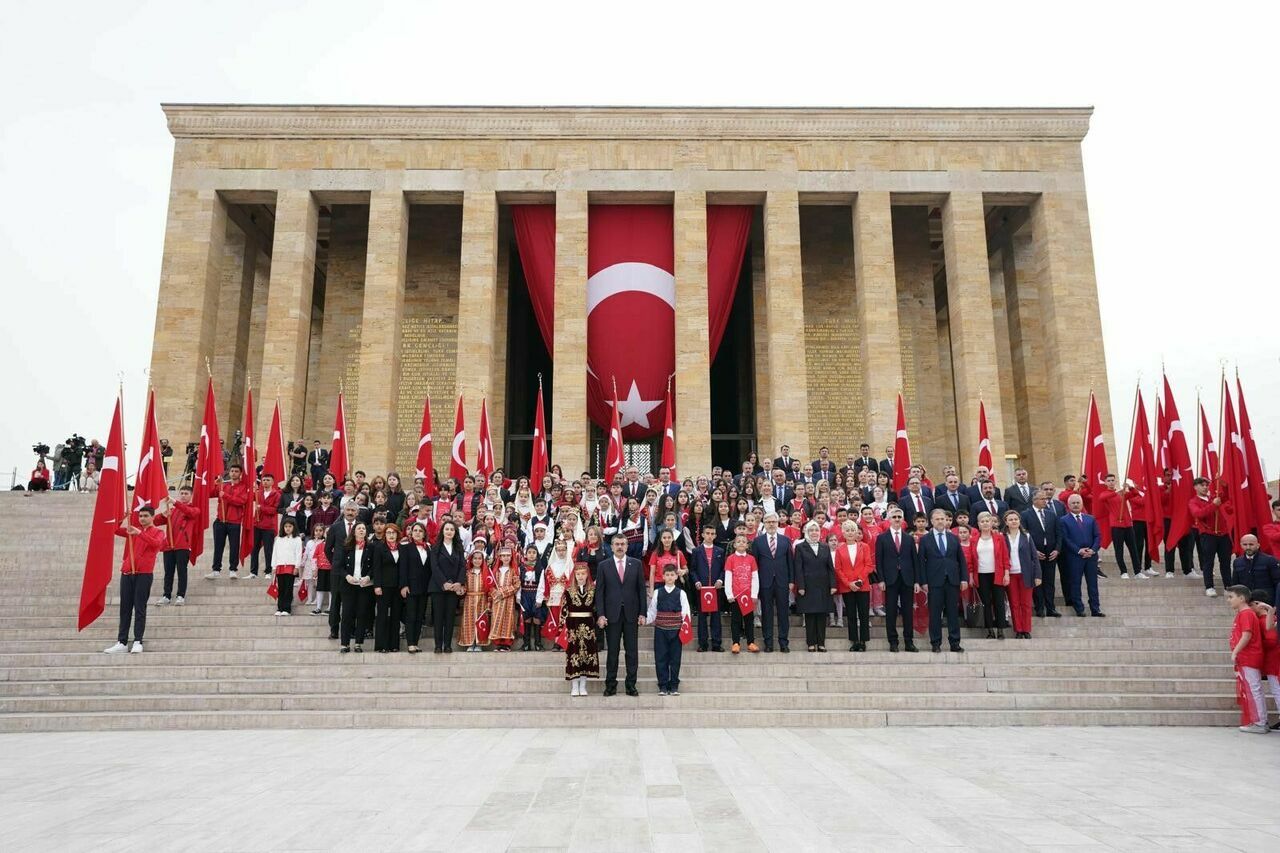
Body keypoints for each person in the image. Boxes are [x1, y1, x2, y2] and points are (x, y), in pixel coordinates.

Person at [103, 506, 168, 654]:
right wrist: (123, 517)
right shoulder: (134, 530)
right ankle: (122, 642)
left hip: (144, 574)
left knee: (140, 608)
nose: (142, 519)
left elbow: (157, 544)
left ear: (152, 517)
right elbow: (114, 529)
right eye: (140, 516)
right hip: (127, 573)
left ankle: (138, 640)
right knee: (125, 609)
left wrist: (139, 532)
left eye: (146, 516)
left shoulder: (158, 532)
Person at [596, 532, 647, 696]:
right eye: (616, 544)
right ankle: (610, 685)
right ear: (611, 547)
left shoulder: (637, 564)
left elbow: (641, 590)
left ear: (627, 546)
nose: (619, 547)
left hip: (631, 615)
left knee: (632, 652)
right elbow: (600, 592)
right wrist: (601, 614)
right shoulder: (603, 566)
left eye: (622, 544)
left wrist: (643, 613)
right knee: (612, 652)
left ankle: (631, 685)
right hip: (611, 616)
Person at [920, 508, 968, 653]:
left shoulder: (953, 538)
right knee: (935, 614)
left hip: (952, 580)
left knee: (953, 613)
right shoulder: (925, 539)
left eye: (943, 519)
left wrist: (964, 578)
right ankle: (935, 642)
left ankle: (955, 642)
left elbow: (961, 560)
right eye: (937, 519)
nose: (940, 521)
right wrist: (923, 582)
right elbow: (921, 562)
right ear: (932, 522)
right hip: (934, 581)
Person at [876, 507, 920, 653]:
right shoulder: (882, 538)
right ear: (889, 519)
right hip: (890, 579)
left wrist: (916, 581)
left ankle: (909, 642)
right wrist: (881, 579)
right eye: (894, 517)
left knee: (908, 611)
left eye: (899, 517)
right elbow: (879, 561)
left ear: (902, 520)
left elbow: (915, 560)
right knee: (891, 611)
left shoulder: (909, 538)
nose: (896, 519)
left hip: (907, 579)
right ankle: (893, 641)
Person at [1227, 585, 1268, 733]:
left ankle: (1260, 722)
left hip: (1249, 656)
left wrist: (1235, 652)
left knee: (1254, 688)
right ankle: (1258, 721)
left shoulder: (1246, 614)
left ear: (1242, 598)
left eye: (1231, 597)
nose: (1229, 600)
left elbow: (1247, 634)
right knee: (1252, 688)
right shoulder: (1244, 613)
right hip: (1247, 657)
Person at [646, 563, 691, 696]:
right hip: (660, 630)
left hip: (676, 630)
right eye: (667, 575)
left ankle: (674, 686)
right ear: (663, 576)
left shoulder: (681, 593)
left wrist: (684, 627)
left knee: (675, 659)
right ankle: (663, 686)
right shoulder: (657, 592)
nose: (670, 577)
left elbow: (686, 611)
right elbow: (652, 611)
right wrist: (645, 620)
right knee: (661, 658)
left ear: (676, 577)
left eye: (672, 575)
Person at [751, 512, 793, 653]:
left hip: (782, 581)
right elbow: (755, 564)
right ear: (764, 522)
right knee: (767, 613)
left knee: (783, 613)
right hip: (765, 582)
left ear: (777, 523)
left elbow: (790, 563)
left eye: (773, 522)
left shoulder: (785, 540)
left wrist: (791, 581)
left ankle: (784, 642)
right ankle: (768, 643)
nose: (771, 524)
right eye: (768, 522)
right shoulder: (758, 541)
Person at [966, 512, 1010, 640]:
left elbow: (1005, 557)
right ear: (978, 525)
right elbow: (970, 560)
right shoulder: (974, 539)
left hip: (997, 574)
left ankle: (1001, 629)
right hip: (981, 575)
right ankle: (990, 630)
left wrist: (1006, 573)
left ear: (992, 523)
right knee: (985, 602)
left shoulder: (999, 538)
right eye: (982, 521)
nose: (985, 523)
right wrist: (970, 576)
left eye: (987, 521)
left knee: (999, 602)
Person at [794, 521, 836, 652]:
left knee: (822, 615)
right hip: (807, 586)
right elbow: (798, 569)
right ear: (806, 532)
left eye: (816, 530)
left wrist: (833, 585)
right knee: (810, 616)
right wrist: (800, 586)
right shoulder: (800, 547)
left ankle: (821, 643)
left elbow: (830, 568)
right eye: (811, 530)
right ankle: (811, 643)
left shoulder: (825, 547)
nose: (814, 533)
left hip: (823, 586)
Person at [1060, 494, 1104, 618]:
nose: (1076, 505)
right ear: (1068, 505)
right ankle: (1079, 608)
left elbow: (1097, 536)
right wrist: (1079, 550)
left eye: (1078, 502)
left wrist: (1093, 550)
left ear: (1082, 504)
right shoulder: (1063, 520)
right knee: (1075, 583)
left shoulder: (1090, 519)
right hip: (1074, 557)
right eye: (1073, 503)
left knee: (1092, 584)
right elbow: (1065, 539)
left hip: (1091, 556)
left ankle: (1095, 608)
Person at [1190, 478, 1235, 596]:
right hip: (1208, 535)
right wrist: (1213, 505)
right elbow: (1198, 514)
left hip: (1223, 534)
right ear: (1195, 487)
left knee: (1225, 561)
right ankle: (1209, 586)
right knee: (1208, 562)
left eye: (1206, 485)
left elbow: (1226, 495)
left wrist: (1224, 485)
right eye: (1202, 485)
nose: (1205, 487)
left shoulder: (1214, 497)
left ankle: (1228, 586)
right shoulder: (1193, 501)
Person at [834, 520, 873, 652]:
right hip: (847, 586)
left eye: (852, 530)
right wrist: (848, 583)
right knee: (850, 615)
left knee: (863, 614)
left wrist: (859, 581)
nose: (850, 533)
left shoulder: (865, 547)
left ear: (857, 532)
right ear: (843, 533)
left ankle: (863, 641)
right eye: (847, 530)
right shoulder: (839, 549)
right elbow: (838, 569)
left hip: (863, 585)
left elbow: (869, 565)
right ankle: (854, 641)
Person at [155, 489, 199, 606]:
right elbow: (155, 522)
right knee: (168, 572)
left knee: (181, 571)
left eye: (186, 494)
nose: (183, 496)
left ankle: (180, 595)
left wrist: (175, 502)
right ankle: (166, 595)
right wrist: (162, 515)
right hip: (169, 546)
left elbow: (190, 513)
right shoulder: (173, 510)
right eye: (182, 493)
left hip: (183, 546)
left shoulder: (194, 509)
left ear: (191, 496)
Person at [1023, 492, 1063, 618]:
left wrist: (1057, 550)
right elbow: (1025, 535)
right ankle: (1040, 608)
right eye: (1042, 499)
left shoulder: (1052, 514)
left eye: (1046, 498)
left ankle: (1051, 608)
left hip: (1050, 553)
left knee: (1049, 582)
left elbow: (1059, 534)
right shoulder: (1025, 515)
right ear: (1034, 500)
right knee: (1037, 582)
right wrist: (1033, 551)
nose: (1045, 501)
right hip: (1035, 553)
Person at [429, 520, 466, 653]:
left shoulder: (458, 547)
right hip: (438, 587)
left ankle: (448, 645)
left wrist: (459, 582)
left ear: (455, 532)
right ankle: (438, 645)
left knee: (450, 617)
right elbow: (434, 567)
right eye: (447, 529)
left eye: (452, 529)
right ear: (442, 531)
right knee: (438, 617)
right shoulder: (436, 547)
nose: (449, 531)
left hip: (454, 588)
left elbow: (463, 566)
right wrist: (443, 582)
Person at [1003, 510, 1041, 638]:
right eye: (1011, 519)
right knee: (1014, 603)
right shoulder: (1003, 537)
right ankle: (1018, 629)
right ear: (1006, 522)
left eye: (1016, 519)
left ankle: (1026, 629)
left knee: (1026, 603)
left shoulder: (1027, 536)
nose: (1014, 521)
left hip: (1026, 573)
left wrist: (1037, 575)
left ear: (1019, 521)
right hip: (1011, 574)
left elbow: (1034, 557)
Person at [207, 463, 249, 578]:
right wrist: (214, 484)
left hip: (234, 522)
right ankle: (216, 570)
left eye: (236, 471)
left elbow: (241, 501)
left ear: (240, 474)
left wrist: (225, 496)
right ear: (229, 472)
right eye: (232, 471)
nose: (233, 473)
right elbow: (209, 494)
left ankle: (233, 569)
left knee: (234, 546)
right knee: (218, 546)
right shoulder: (223, 485)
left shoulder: (243, 487)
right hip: (220, 520)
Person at [339, 522, 375, 653]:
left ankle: (358, 643)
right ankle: (345, 644)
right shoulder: (346, 547)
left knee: (361, 614)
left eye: (363, 529)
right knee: (347, 614)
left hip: (364, 586)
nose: (361, 530)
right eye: (359, 528)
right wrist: (347, 576)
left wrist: (368, 577)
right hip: (349, 585)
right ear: (354, 531)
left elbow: (374, 567)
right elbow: (339, 566)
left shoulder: (371, 547)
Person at [565, 561, 600, 696]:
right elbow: (564, 610)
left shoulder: (593, 590)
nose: (580, 576)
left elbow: (596, 609)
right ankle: (574, 686)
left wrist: (598, 621)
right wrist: (565, 629)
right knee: (574, 654)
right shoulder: (568, 591)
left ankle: (583, 685)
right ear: (574, 575)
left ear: (587, 575)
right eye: (578, 574)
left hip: (588, 627)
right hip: (573, 626)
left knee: (587, 655)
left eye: (583, 574)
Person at [324, 504, 358, 639]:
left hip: (355, 570)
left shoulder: (361, 527)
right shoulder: (335, 527)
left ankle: (351, 628)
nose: (350, 512)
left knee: (352, 601)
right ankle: (334, 628)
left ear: (357, 512)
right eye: (348, 510)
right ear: (343, 511)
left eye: (353, 510)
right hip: (337, 571)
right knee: (336, 600)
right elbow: (327, 549)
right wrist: (335, 563)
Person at [691, 524, 725, 652]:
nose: (710, 536)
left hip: (715, 589)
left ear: (715, 535)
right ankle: (702, 643)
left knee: (716, 617)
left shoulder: (720, 551)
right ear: (703, 535)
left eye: (712, 534)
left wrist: (720, 580)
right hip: (702, 589)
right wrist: (697, 581)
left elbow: (723, 569)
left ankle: (716, 644)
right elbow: (693, 570)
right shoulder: (696, 551)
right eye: (708, 533)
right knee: (702, 617)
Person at [398, 522, 431, 653]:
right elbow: (403, 568)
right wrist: (404, 585)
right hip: (410, 586)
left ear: (424, 533)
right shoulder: (406, 548)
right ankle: (410, 643)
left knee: (419, 616)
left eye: (420, 531)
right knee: (411, 615)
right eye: (415, 530)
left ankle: (416, 643)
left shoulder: (428, 548)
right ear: (411, 533)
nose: (417, 532)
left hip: (424, 587)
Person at [724, 533, 759, 653]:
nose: (741, 543)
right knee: (736, 620)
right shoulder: (730, 559)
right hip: (736, 596)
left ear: (747, 545)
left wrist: (754, 594)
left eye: (744, 541)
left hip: (748, 596)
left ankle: (751, 642)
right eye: (738, 541)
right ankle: (736, 643)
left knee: (749, 619)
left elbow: (755, 577)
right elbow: (728, 577)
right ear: (734, 545)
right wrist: (729, 594)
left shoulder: (751, 559)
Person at [370, 523, 402, 653]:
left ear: (397, 534)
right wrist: (377, 585)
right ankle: (381, 645)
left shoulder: (401, 548)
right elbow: (376, 568)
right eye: (388, 533)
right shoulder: (379, 548)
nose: (391, 535)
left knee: (396, 615)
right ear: (385, 534)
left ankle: (394, 644)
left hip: (397, 587)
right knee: (382, 615)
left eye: (393, 533)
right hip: (383, 586)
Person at [489, 543, 521, 651]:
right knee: (497, 619)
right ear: (500, 557)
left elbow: (516, 585)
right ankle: (498, 643)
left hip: (508, 599)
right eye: (503, 556)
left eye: (508, 556)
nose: (506, 558)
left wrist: (503, 592)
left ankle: (507, 644)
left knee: (507, 620)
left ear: (511, 557)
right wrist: (495, 594)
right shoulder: (496, 571)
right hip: (497, 600)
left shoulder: (513, 571)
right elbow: (491, 585)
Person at [247, 473, 279, 579]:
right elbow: (248, 498)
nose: (265, 482)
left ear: (272, 482)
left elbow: (274, 510)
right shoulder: (258, 493)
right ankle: (253, 572)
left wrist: (262, 508)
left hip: (269, 526)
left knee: (268, 550)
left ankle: (268, 572)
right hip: (256, 524)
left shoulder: (276, 494)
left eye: (268, 480)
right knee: (254, 548)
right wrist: (251, 489)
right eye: (264, 480)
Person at [1233, 535, 1280, 604]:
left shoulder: (1270, 560)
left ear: (1258, 545)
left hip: (1267, 602)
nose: (1248, 547)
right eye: (1245, 544)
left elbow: (1277, 583)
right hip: (1247, 602)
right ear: (1241, 545)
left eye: (1251, 544)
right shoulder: (1237, 562)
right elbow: (1236, 585)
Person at [271, 517, 303, 616]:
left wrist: (297, 567)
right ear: (283, 528)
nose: (288, 528)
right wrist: (274, 566)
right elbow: (275, 553)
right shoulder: (279, 539)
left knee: (288, 588)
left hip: (291, 566)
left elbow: (298, 553)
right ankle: (279, 608)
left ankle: (287, 609)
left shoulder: (297, 539)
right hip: (280, 566)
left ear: (294, 527)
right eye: (285, 526)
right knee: (281, 588)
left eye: (290, 526)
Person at [306, 523, 331, 615]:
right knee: (320, 588)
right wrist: (314, 569)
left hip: (331, 570)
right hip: (321, 569)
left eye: (330, 533)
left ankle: (330, 607)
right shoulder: (320, 545)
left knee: (331, 589)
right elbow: (314, 558)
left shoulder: (335, 545)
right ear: (324, 534)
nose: (328, 534)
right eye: (327, 532)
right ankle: (318, 607)